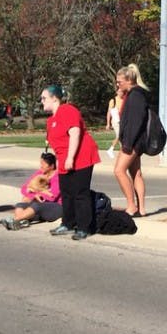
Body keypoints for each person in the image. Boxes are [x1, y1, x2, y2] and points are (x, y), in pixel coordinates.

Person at [40, 85, 101, 241]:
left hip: (80, 156)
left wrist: (70, 158)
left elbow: (75, 133)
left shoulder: (67, 110)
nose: (42, 101)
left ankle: (83, 227)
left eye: (44, 98)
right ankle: (67, 223)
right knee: (66, 192)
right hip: (63, 159)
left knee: (80, 193)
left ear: (55, 98)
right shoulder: (51, 120)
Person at [115, 64, 150, 217]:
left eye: (119, 81)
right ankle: (141, 209)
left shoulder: (135, 96)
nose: (117, 84)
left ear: (129, 80)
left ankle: (131, 206)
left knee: (119, 171)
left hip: (133, 142)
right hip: (136, 141)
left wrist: (128, 144)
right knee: (136, 173)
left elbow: (135, 122)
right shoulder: (135, 94)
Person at [0, 152, 61, 230]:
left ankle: (14, 220)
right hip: (40, 206)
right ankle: (21, 221)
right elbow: (24, 188)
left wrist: (35, 193)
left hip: (56, 207)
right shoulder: (39, 173)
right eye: (40, 163)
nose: (41, 166)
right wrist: (34, 195)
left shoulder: (58, 177)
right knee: (20, 204)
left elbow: (52, 196)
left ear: (52, 166)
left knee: (36, 205)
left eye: (43, 164)